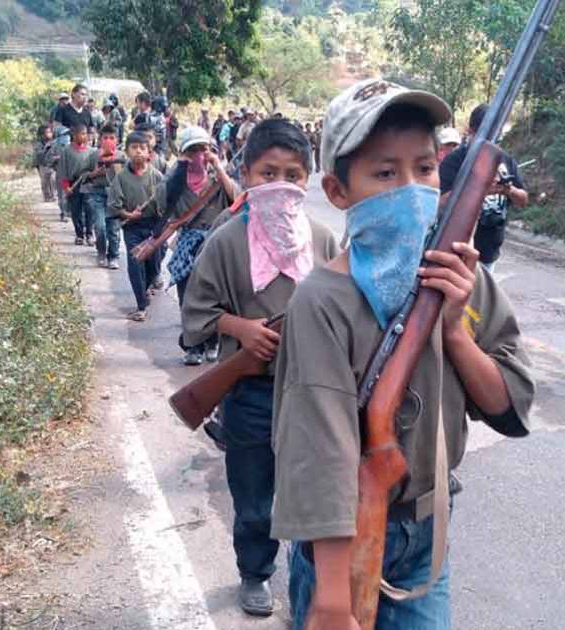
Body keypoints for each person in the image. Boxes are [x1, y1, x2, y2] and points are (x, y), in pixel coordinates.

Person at [271, 78, 535, 630]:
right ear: (337, 190)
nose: (412, 189)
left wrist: (454, 330)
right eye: (385, 173)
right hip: (338, 541)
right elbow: (318, 454)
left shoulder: (463, 279)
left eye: (425, 168)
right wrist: (332, 600)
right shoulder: (321, 300)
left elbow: (509, 406)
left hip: (427, 532)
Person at [180, 119, 339, 617]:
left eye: (293, 175)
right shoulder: (227, 240)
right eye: (268, 173)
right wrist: (241, 328)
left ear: (308, 180)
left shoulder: (322, 239)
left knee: (315, 493)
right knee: (253, 497)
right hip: (250, 391)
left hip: (313, 393)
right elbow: (195, 315)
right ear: (246, 174)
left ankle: (314, 580)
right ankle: (255, 573)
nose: (281, 184)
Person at [158, 126, 239, 364]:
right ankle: (193, 346)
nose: (198, 156)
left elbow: (237, 198)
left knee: (215, 296)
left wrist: (218, 167)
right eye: (192, 151)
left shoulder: (218, 178)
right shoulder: (175, 179)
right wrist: (179, 170)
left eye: (203, 150)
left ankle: (212, 341)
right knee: (188, 297)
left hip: (215, 243)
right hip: (188, 244)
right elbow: (162, 203)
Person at [439, 103, 529, 272]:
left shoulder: (505, 160)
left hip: (489, 254)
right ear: (471, 131)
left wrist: (509, 190)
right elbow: (440, 203)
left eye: (497, 135)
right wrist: (479, 189)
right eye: (487, 135)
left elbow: (523, 199)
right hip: (455, 251)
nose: (491, 141)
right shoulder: (455, 161)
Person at [108, 131, 165, 322]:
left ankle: (146, 288)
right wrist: (128, 214)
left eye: (142, 148)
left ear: (149, 152)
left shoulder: (157, 176)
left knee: (153, 266)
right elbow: (115, 206)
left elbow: (166, 203)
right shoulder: (121, 178)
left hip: (153, 227)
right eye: (134, 148)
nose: (138, 151)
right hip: (132, 227)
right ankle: (141, 305)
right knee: (135, 265)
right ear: (126, 152)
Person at [57, 124, 100, 247]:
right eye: (82, 134)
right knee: (76, 210)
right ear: (74, 135)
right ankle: (79, 234)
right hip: (73, 184)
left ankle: (89, 234)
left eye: (85, 134)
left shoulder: (92, 151)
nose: (84, 136)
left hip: (87, 183)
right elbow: (63, 170)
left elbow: (94, 169)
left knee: (89, 209)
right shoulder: (66, 151)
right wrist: (66, 187)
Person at [87, 124, 122, 268]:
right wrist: (95, 173)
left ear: (117, 140)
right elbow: (85, 175)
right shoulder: (94, 155)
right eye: (105, 138)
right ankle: (101, 251)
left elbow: (125, 177)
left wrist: (114, 166)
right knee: (100, 225)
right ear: (100, 140)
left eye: (112, 138)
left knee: (113, 228)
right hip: (98, 193)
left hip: (115, 195)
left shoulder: (121, 156)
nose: (108, 141)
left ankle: (113, 255)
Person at [35, 125, 59, 203]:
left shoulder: (54, 143)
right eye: (47, 132)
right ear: (42, 135)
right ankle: (47, 196)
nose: (49, 134)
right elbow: (38, 155)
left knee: (53, 179)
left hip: (52, 165)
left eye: (50, 132)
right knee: (44, 182)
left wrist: (57, 158)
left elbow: (58, 153)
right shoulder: (39, 144)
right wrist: (46, 148)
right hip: (43, 165)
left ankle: (54, 195)